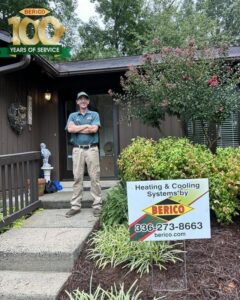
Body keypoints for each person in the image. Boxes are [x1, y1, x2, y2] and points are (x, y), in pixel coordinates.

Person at [65, 91, 102, 218]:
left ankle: (97, 205)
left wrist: (79, 127)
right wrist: (86, 125)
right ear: (77, 102)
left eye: (85, 99)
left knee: (94, 177)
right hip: (77, 150)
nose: (83, 101)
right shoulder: (72, 115)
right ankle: (75, 206)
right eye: (80, 99)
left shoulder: (94, 114)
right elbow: (70, 129)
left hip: (92, 149)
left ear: (88, 101)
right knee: (77, 177)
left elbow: (94, 129)